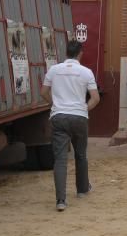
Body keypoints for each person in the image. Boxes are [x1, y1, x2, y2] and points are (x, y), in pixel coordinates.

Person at [40, 41, 100, 212]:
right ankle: (82, 189)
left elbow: (43, 92)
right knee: (81, 154)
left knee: (60, 159)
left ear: (65, 52)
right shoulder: (86, 72)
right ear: (80, 53)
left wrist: (55, 104)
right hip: (79, 116)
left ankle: (61, 200)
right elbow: (95, 98)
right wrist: (83, 109)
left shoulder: (54, 70)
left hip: (59, 116)